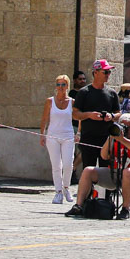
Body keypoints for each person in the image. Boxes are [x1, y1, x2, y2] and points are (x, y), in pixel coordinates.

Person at [65, 112, 130, 220]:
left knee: (127, 172)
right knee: (88, 170)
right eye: (123, 126)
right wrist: (111, 138)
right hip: (114, 173)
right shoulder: (115, 136)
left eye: (128, 127)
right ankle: (79, 206)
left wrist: (122, 139)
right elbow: (103, 155)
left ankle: (125, 209)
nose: (125, 129)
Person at [71, 59, 121, 189]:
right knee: (88, 170)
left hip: (106, 139)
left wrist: (111, 117)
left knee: (107, 172)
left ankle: (106, 200)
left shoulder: (112, 93)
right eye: (105, 72)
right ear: (96, 72)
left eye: (109, 72)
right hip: (89, 137)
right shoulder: (84, 92)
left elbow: (119, 113)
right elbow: (75, 114)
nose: (108, 74)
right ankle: (86, 200)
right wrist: (89, 115)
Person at [40, 74, 76, 204]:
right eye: (58, 84)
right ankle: (58, 192)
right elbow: (44, 119)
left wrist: (79, 134)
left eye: (63, 85)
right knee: (56, 165)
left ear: (67, 86)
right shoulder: (50, 101)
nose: (60, 87)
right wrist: (42, 134)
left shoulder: (72, 102)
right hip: (53, 136)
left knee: (68, 164)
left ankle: (66, 187)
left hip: (68, 136)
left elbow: (79, 117)